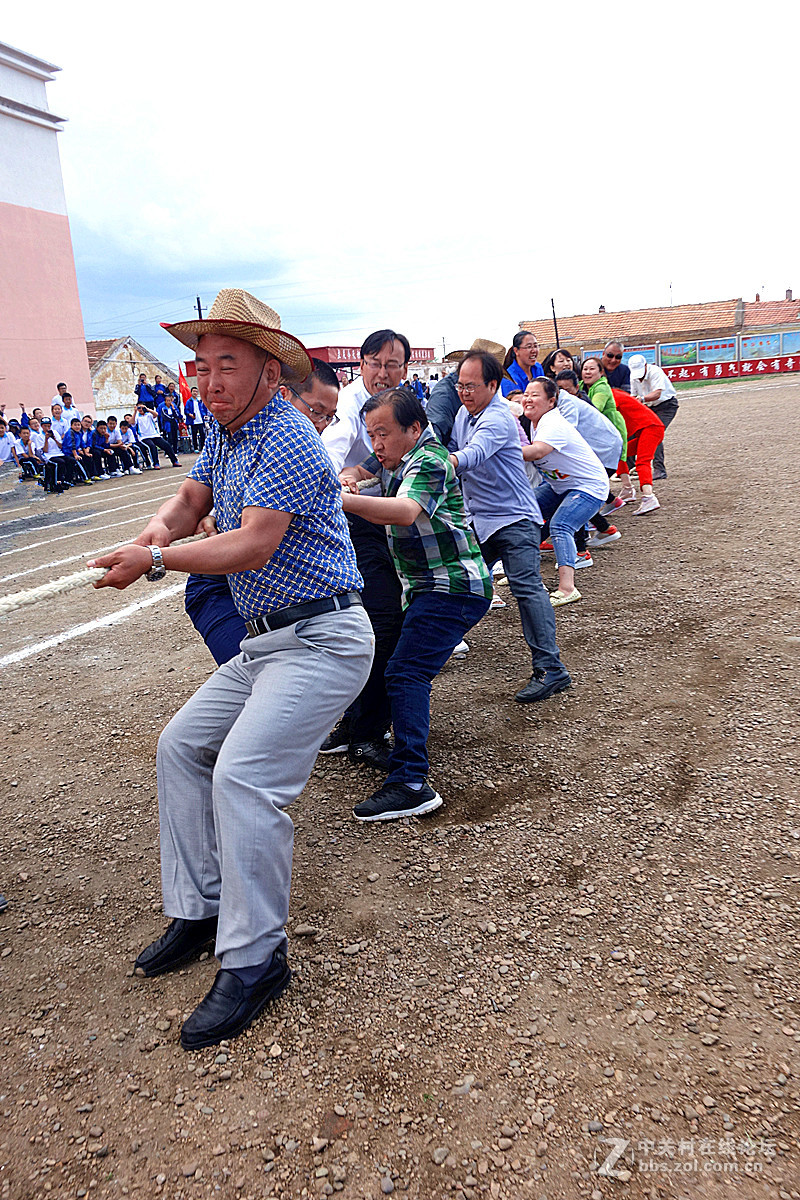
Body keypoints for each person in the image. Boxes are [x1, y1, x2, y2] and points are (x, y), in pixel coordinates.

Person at [88, 288, 374, 1051]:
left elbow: (252, 545)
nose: (209, 380)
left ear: (269, 373)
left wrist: (154, 560)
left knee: (244, 777)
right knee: (181, 746)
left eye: (227, 365)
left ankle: (255, 961)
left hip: (323, 638)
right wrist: (152, 534)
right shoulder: (226, 430)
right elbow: (190, 498)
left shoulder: (285, 434)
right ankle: (203, 909)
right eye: (202, 365)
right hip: (269, 643)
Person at [340, 388, 492, 821]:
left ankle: (410, 782)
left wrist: (339, 499)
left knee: (406, 672)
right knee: (397, 664)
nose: (377, 444)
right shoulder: (395, 456)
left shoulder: (429, 460)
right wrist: (349, 478)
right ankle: (367, 737)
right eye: (371, 434)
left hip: (453, 587)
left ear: (414, 428)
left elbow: (405, 510)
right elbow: (358, 469)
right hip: (428, 589)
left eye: (383, 433)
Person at [184, 359, 342, 667]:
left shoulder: (297, 439)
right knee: (254, 670)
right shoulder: (233, 428)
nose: (322, 423)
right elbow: (193, 498)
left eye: (329, 416)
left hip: (275, 588)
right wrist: (155, 546)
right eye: (316, 411)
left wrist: (155, 556)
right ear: (283, 394)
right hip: (223, 580)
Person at [449, 350, 571, 702]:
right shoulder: (463, 413)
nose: (464, 393)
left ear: (493, 385)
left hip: (515, 517)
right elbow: (455, 446)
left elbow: (472, 454)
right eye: (460, 386)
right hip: (480, 518)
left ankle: (551, 669)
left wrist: (437, 463)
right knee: (458, 581)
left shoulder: (498, 417)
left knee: (526, 587)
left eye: (471, 386)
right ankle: (440, 646)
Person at [318, 330, 410, 770]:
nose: (383, 372)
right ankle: (366, 731)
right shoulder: (350, 404)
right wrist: (344, 475)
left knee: (367, 624)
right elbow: (332, 453)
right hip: (354, 524)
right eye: (375, 363)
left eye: (392, 365)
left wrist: (363, 470)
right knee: (382, 622)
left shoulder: (403, 402)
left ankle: (354, 724)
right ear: (361, 365)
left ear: (405, 368)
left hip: (380, 521)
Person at [521, 378, 610, 607]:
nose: (528, 399)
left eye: (535, 395)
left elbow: (538, 451)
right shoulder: (535, 421)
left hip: (588, 486)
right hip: (561, 486)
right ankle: (523, 572)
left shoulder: (553, 423)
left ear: (551, 401)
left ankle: (568, 588)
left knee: (561, 525)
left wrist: (501, 451)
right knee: (523, 512)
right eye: (526, 394)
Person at [553, 370, 622, 547]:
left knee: (576, 491)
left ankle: (581, 548)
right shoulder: (565, 402)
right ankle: (604, 528)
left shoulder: (568, 403)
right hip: (598, 450)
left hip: (603, 451)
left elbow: (565, 435)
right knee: (575, 489)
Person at [426, 339, 506, 446]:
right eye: (462, 387)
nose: (465, 393)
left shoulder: (498, 411)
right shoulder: (447, 397)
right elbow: (435, 437)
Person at [608, 388, 664, 515]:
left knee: (642, 462)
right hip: (648, 428)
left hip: (651, 428)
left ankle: (649, 497)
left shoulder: (609, 396)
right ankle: (627, 489)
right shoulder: (612, 393)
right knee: (618, 453)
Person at [627, 354, 678, 479]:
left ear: (646, 366)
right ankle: (629, 468)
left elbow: (657, 393)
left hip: (666, 406)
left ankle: (659, 470)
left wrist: (642, 399)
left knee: (653, 434)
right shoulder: (633, 376)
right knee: (631, 431)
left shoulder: (655, 372)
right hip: (648, 407)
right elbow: (633, 394)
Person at [580, 358, 627, 461]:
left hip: (610, 428)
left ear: (601, 372)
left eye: (592, 369)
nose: (588, 372)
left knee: (614, 462)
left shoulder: (602, 387)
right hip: (595, 430)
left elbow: (595, 409)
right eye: (585, 369)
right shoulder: (580, 386)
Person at [134, 403, 180, 467]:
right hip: (144, 437)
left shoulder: (149, 414)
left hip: (154, 435)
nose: (141, 409)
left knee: (166, 445)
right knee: (152, 446)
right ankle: (156, 463)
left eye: (142, 407)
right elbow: (132, 422)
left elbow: (156, 414)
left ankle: (174, 461)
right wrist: (135, 411)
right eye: (139, 408)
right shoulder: (136, 417)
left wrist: (147, 409)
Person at [501, 332, 544, 398]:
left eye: (535, 346)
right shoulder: (509, 379)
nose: (534, 350)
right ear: (516, 351)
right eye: (529, 347)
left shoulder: (538, 368)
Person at [185, 386, 208, 452]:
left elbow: (202, 410)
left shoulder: (199, 401)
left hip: (200, 420)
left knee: (202, 434)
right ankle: (195, 448)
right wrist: (190, 414)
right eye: (194, 391)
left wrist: (204, 415)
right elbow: (186, 410)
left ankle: (202, 447)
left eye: (196, 391)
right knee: (194, 435)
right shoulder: (189, 401)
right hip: (193, 421)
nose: (195, 393)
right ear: (191, 392)